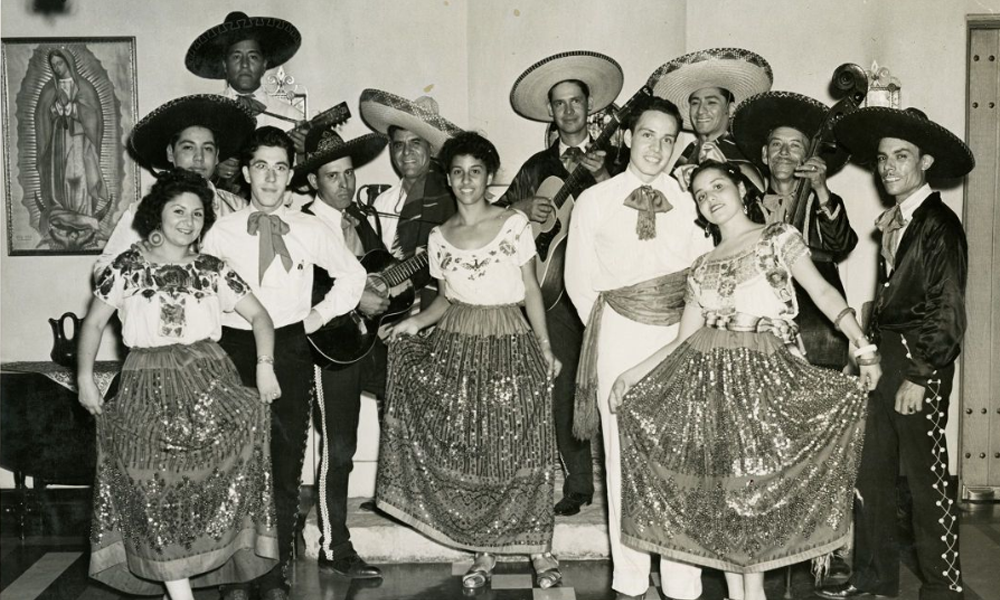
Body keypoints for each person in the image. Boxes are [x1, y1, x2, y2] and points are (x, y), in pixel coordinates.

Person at [611, 160, 880, 600]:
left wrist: (862, 345)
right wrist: (630, 374)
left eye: (718, 186)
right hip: (711, 393)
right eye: (701, 194)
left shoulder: (776, 239)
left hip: (764, 385)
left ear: (739, 188)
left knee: (752, 507)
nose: (711, 197)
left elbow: (823, 292)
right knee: (725, 510)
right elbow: (683, 341)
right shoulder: (700, 267)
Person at [76, 169, 280, 599]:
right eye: (178, 211)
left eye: (198, 213)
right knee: (150, 484)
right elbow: (93, 324)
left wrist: (264, 367)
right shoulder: (126, 266)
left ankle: (189, 584)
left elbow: (261, 317)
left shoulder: (212, 269)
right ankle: (180, 592)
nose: (188, 221)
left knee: (211, 478)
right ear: (158, 214)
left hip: (208, 381)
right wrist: (85, 378)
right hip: (145, 385)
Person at [376, 131, 563, 591]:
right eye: (457, 172)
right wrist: (413, 325)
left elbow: (531, 288)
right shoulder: (439, 237)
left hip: (510, 339)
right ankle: (484, 550)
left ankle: (540, 549)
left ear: (490, 177)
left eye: (475, 172)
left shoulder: (513, 225)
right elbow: (444, 300)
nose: (465, 181)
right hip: (458, 344)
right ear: (449, 176)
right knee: (477, 448)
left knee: (523, 445)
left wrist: (544, 345)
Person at [201, 126, 366, 600]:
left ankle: (273, 573)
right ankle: (233, 573)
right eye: (261, 166)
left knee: (283, 458)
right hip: (233, 347)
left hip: (292, 347)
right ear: (246, 172)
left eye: (280, 167)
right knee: (232, 461)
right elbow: (205, 293)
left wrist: (314, 318)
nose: (270, 177)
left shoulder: (311, 228)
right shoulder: (223, 231)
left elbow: (352, 276)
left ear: (292, 174)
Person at [817, 107, 975, 600]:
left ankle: (943, 587)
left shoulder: (938, 224)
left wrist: (921, 376)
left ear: (924, 161)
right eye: (883, 158)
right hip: (883, 357)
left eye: (900, 157)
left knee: (927, 480)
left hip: (918, 361)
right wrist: (868, 356)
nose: (888, 167)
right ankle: (874, 578)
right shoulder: (897, 221)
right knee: (872, 475)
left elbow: (948, 310)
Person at [564, 96, 714, 600]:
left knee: (680, 464)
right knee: (624, 462)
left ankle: (682, 582)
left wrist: (683, 338)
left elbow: (705, 276)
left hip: (680, 340)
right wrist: (612, 335)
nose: (657, 147)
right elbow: (580, 283)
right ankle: (629, 579)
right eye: (648, 135)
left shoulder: (693, 202)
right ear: (627, 137)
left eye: (669, 139)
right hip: (617, 338)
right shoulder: (595, 200)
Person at [498, 50, 627, 517]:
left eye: (576, 102)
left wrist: (606, 176)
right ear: (550, 112)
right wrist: (523, 205)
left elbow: (636, 213)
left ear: (590, 108)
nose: (569, 111)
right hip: (553, 289)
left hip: (608, 285)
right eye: (560, 104)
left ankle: (623, 482)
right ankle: (577, 483)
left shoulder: (617, 155)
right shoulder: (535, 165)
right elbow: (500, 214)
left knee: (617, 379)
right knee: (563, 383)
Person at [291, 127, 389, 579]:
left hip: (364, 339)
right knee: (341, 446)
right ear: (314, 181)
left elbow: (380, 273)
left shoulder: (360, 219)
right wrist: (358, 299)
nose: (345, 184)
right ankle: (336, 544)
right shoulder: (300, 223)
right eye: (333, 176)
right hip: (329, 348)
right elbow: (303, 291)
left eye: (349, 174)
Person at [732, 91, 859, 369]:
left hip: (816, 332)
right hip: (756, 330)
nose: (784, 153)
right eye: (776, 145)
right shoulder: (745, 207)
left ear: (809, 155)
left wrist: (821, 190)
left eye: (795, 146)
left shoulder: (822, 202)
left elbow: (842, 244)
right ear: (765, 155)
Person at [95, 94, 256, 277]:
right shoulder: (141, 211)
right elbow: (104, 272)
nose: (199, 158)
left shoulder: (238, 210)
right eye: (188, 147)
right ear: (171, 153)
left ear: (217, 156)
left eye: (208, 149)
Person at [358, 89, 462, 310]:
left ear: (430, 148)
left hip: (447, 309)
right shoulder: (381, 203)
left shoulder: (456, 198)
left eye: (415, 142)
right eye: (398, 145)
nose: (406, 152)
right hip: (392, 313)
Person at [186, 11, 306, 185]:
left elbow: (301, 185)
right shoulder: (206, 113)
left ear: (264, 64)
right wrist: (213, 167)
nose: (244, 64)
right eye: (236, 57)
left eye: (252, 56)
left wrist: (302, 153)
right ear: (224, 65)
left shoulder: (291, 116)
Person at [648, 47, 772, 192]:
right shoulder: (689, 152)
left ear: (731, 109)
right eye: (695, 103)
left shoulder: (743, 155)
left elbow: (755, 207)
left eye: (711, 102)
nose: (701, 110)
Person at [35, 48, 109, 216]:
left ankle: (81, 211)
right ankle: (60, 210)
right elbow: (42, 115)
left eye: (60, 63)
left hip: (78, 139)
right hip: (56, 139)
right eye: (53, 65)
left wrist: (73, 109)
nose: (57, 68)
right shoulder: (49, 88)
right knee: (58, 175)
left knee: (76, 174)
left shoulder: (84, 86)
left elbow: (93, 114)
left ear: (68, 62)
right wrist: (54, 109)